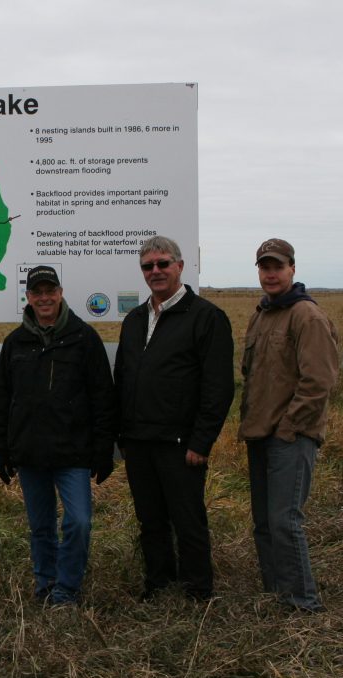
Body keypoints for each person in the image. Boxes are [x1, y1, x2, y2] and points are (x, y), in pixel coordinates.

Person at [114, 236, 234, 601]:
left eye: (163, 264)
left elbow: (218, 388)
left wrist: (202, 441)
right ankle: (159, 585)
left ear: (180, 266)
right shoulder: (134, 319)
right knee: (150, 520)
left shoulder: (206, 318)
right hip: (138, 441)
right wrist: (122, 434)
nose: (156, 271)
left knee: (188, 520)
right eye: (148, 266)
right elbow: (123, 376)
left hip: (181, 444)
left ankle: (198, 591)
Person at [0, 266, 116, 606]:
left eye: (50, 290)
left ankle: (67, 589)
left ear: (60, 293)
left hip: (72, 453)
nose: (44, 298)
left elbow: (103, 397)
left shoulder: (83, 337)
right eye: (37, 292)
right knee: (41, 528)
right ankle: (46, 586)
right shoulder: (15, 342)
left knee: (79, 522)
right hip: (30, 453)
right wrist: (2, 450)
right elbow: (0, 400)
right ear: (28, 297)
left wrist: (104, 450)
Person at [238, 238, 338, 613]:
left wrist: (289, 428)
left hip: (290, 437)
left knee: (284, 521)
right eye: (264, 267)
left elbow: (319, 382)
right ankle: (276, 594)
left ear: (292, 269)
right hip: (259, 435)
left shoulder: (306, 316)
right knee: (263, 524)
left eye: (277, 266)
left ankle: (303, 604)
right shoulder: (262, 314)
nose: (270, 273)